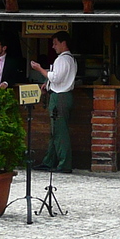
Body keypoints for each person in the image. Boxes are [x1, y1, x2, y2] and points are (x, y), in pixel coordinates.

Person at [30, 31, 78, 173]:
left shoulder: (63, 59)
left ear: (64, 43)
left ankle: (64, 164)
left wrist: (40, 69)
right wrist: (48, 83)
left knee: (60, 132)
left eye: (55, 43)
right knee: (55, 131)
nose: (53, 46)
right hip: (60, 95)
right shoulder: (68, 59)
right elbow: (57, 79)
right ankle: (49, 161)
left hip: (60, 97)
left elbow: (56, 78)